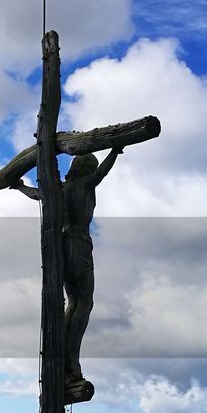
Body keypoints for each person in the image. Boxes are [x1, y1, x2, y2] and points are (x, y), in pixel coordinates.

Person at [13, 147, 123, 389]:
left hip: (61, 248)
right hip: (80, 245)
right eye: (91, 166)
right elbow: (102, 174)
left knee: (73, 303)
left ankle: (63, 352)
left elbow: (37, 194)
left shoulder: (59, 190)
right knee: (84, 303)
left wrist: (19, 186)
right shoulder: (84, 185)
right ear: (86, 169)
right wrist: (115, 150)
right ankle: (71, 359)